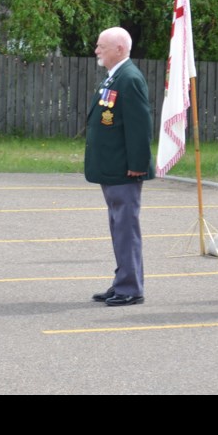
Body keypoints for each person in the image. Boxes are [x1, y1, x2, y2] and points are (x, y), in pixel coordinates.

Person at [84, 27, 154, 307]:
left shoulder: (129, 78)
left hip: (125, 169)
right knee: (119, 226)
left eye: (101, 46)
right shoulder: (115, 77)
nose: (97, 50)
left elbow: (140, 126)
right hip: (112, 167)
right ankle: (122, 281)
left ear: (120, 49)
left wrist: (138, 164)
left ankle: (130, 288)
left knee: (126, 227)